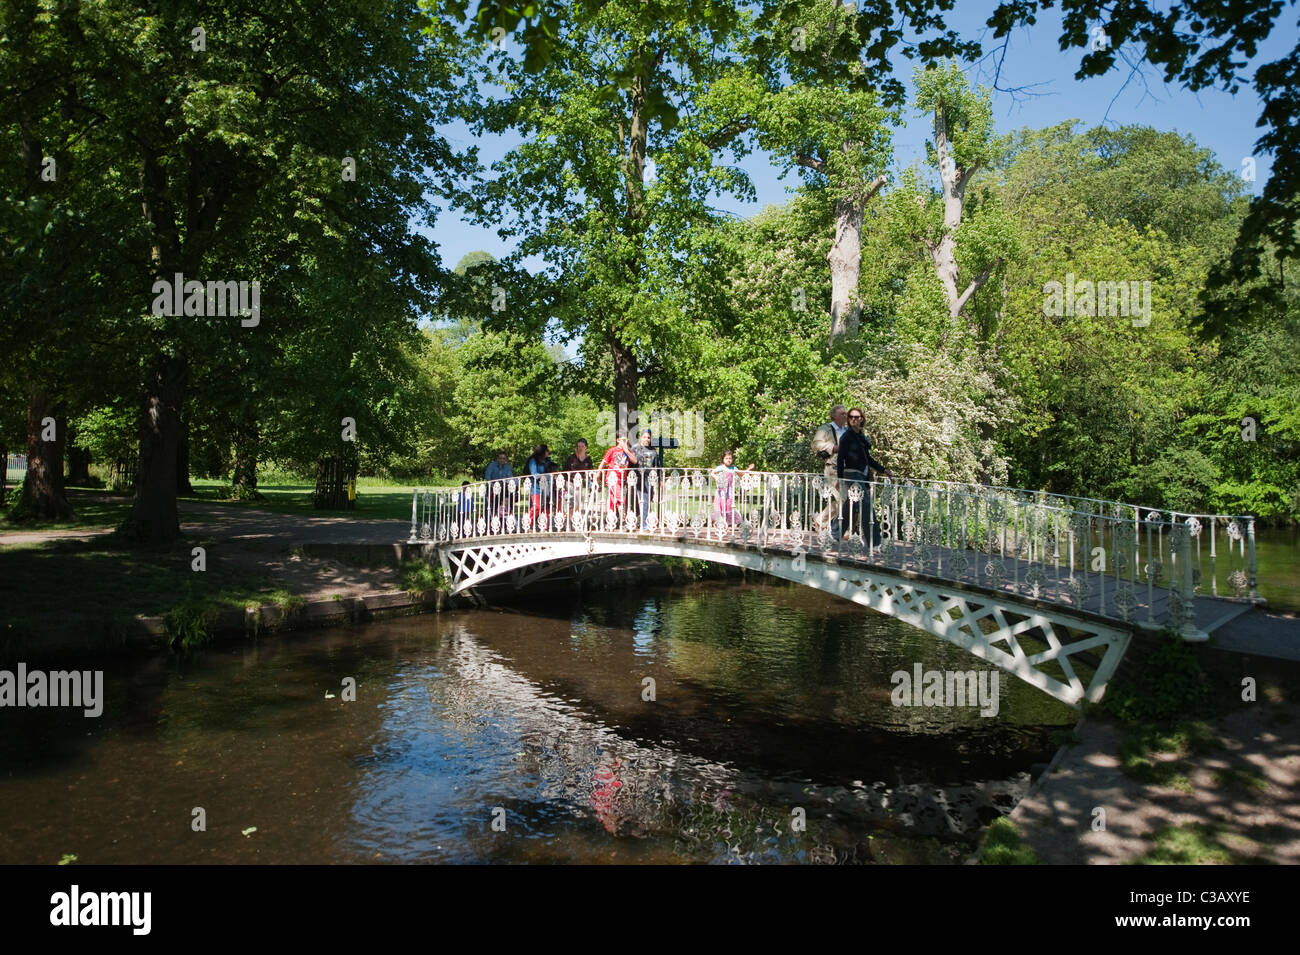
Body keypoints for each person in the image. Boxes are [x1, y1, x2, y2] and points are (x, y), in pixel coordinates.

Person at [836, 409, 893, 545]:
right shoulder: (847, 437)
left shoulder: (861, 437)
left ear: (861, 419)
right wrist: (840, 479)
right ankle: (875, 542)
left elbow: (868, 459)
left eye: (856, 417)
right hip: (851, 474)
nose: (853, 419)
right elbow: (840, 459)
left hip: (861, 475)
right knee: (866, 504)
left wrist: (884, 470)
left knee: (851, 505)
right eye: (850, 417)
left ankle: (834, 533)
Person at [811, 404, 849, 540]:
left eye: (846, 414)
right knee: (843, 498)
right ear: (834, 416)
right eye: (842, 414)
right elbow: (815, 445)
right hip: (833, 468)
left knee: (849, 499)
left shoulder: (847, 430)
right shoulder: (826, 429)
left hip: (848, 469)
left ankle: (822, 520)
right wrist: (834, 447)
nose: (845, 416)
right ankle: (837, 528)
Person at [711, 450, 754, 529]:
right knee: (720, 506)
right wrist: (717, 477)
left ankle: (728, 523)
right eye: (726, 458)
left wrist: (748, 469)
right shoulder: (721, 467)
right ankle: (719, 523)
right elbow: (712, 473)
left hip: (729, 490)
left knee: (728, 506)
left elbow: (741, 473)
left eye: (730, 458)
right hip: (721, 490)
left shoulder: (733, 468)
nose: (728, 460)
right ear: (723, 459)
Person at [596, 433, 633, 524]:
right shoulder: (612, 450)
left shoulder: (628, 452)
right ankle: (623, 520)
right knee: (620, 497)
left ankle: (610, 521)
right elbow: (603, 462)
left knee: (613, 499)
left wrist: (626, 450)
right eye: (622, 439)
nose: (624, 441)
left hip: (621, 479)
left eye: (626, 440)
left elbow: (634, 460)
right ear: (618, 440)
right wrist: (598, 474)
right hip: (612, 477)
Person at [631, 428, 659, 531]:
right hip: (636, 478)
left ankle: (645, 522)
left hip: (648, 479)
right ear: (641, 437)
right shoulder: (635, 448)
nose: (646, 439)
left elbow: (657, 466)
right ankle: (639, 523)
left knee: (647, 500)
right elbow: (629, 462)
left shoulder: (653, 451)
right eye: (644, 437)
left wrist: (659, 480)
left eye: (648, 437)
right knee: (639, 501)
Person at [563, 438, 595, 523]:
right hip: (569, 482)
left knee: (578, 501)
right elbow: (564, 471)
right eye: (578, 446)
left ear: (586, 447)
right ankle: (570, 519)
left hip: (579, 483)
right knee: (571, 501)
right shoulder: (571, 458)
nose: (580, 448)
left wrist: (592, 482)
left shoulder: (588, 459)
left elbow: (590, 471)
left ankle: (574, 518)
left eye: (582, 446)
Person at [484, 451, 515, 524]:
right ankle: (488, 523)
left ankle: (505, 523)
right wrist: (492, 486)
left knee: (506, 504)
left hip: (503, 490)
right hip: (492, 488)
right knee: (489, 506)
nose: (502, 460)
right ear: (497, 459)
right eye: (500, 458)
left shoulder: (508, 467)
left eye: (504, 458)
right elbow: (488, 477)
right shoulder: (492, 465)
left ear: (506, 459)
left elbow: (510, 478)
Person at [525, 444, 552, 528]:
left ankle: (545, 525)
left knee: (547, 506)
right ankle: (528, 523)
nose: (548, 452)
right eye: (547, 451)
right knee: (537, 506)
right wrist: (543, 476)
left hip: (547, 487)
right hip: (535, 487)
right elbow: (534, 474)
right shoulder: (533, 461)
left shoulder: (548, 461)